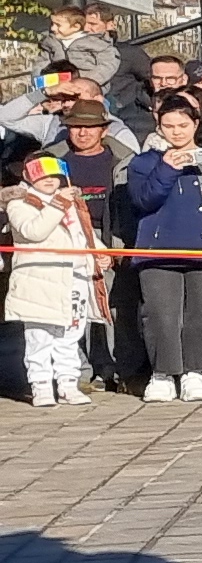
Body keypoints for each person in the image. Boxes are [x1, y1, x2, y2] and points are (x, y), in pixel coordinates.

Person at [121, 96, 202, 401]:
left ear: (196, 124)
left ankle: (196, 373)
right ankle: (163, 373)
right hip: (159, 245)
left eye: (183, 125)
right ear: (158, 126)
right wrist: (165, 169)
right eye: (168, 126)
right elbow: (143, 200)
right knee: (161, 312)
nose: (176, 132)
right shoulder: (144, 162)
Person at [7, 154, 101, 404]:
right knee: (39, 336)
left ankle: (68, 383)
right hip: (39, 279)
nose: (48, 179)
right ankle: (41, 385)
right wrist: (58, 205)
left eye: (53, 173)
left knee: (70, 334)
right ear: (27, 176)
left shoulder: (72, 200)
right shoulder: (19, 203)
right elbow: (34, 231)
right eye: (40, 173)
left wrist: (98, 251)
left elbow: (81, 232)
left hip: (74, 276)